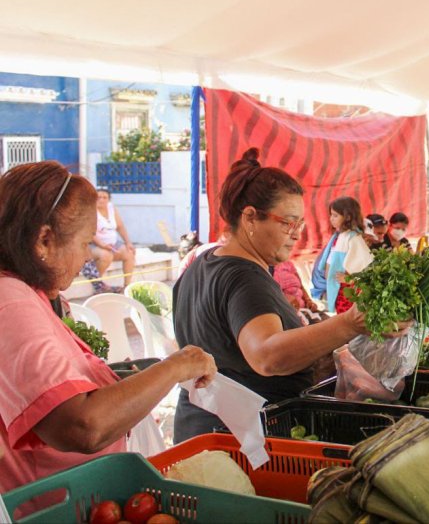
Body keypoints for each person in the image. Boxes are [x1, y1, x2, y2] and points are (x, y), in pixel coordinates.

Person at [0, 162, 216, 493]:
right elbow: (82, 426)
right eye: (85, 243)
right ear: (44, 240)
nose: (87, 256)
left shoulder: (30, 294)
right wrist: (178, 364)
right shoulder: (11, 300)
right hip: (50, 506)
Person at [172, 149, 392, 442]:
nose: (297, 233)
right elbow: (266, 356)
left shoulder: (204, 263)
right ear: (250, 217)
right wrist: (348, 324)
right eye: (288, 222)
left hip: (199, 430)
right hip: (241, 441)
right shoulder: (244, 277)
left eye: (300, 223)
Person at [325, 197, 373, 313]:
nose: (331, 219)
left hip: (347, 292)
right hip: (339, 289)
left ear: (348, 217)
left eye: (335, 216)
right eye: (331, 215)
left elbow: (365, 267)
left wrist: (349, 279)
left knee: (347, 321)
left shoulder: (353, 238)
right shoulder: (340, 236)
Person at [91, 189, 136, 288]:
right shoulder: (90, 210)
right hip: (94, 245)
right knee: (106, 256)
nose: (101, 200)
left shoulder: (111, 208)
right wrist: (102, 245)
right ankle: (98, 285)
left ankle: (127, 286)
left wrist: (128, 242)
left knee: (129, 253)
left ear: (108, 199)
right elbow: (89, 232)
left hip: (112, 243)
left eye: (104, 197)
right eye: (98, 197)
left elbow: (120, 226)